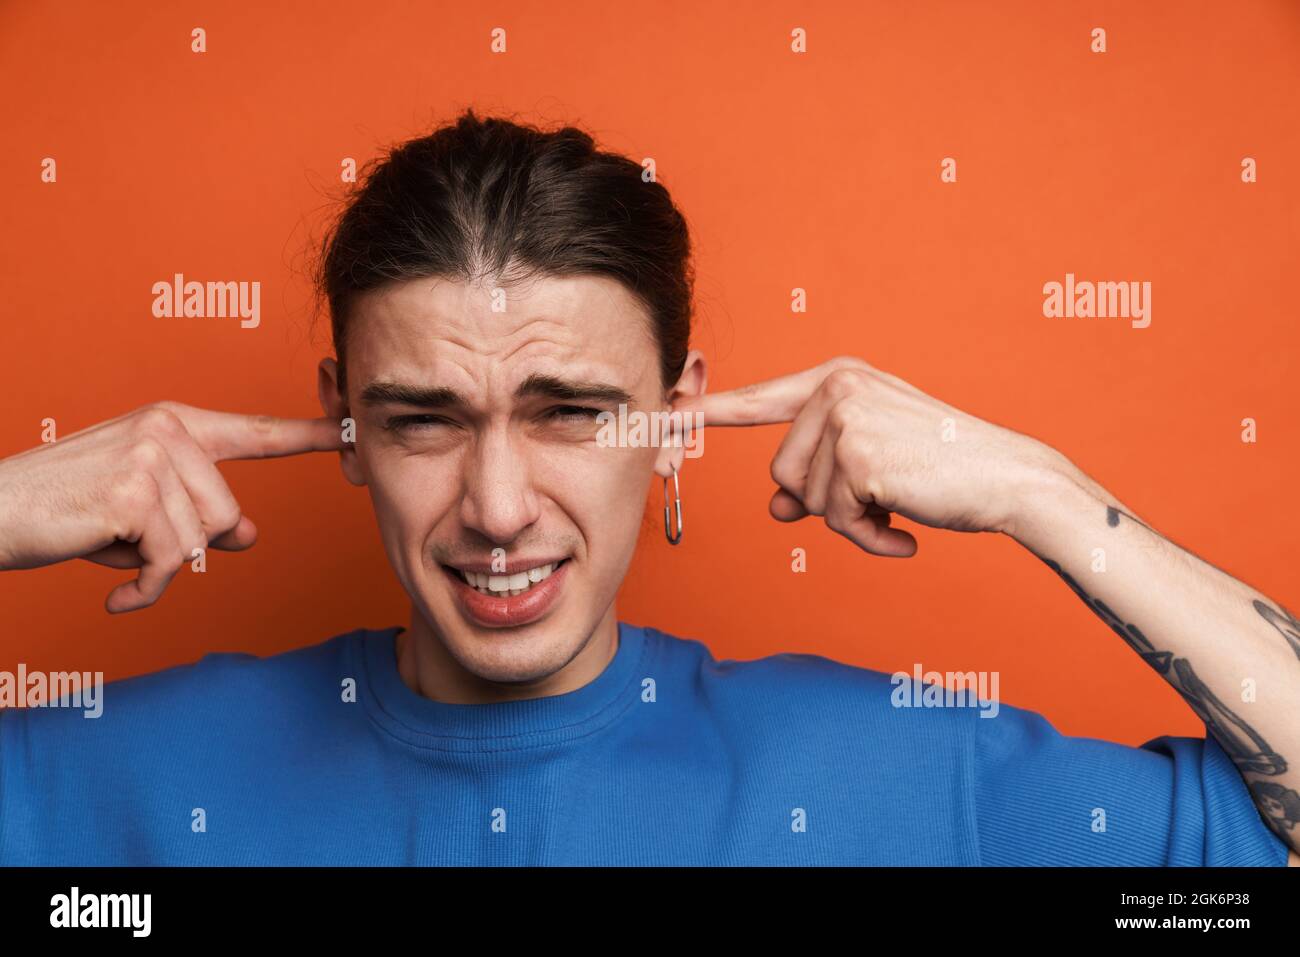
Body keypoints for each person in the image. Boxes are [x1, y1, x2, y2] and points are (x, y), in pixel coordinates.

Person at [0, 109, 1296, 866]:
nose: (498, 504)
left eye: (571, 412)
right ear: (344, 418)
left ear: (675, 418)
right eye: (424, 420)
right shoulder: (131, 776)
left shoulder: (878, 769)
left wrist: (1040, 490)